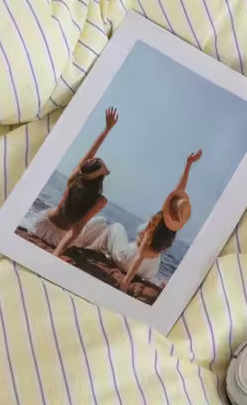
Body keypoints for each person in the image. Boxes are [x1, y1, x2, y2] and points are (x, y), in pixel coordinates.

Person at [102, 148, 201, 290]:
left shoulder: (156, 224)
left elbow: (139, 257)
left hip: (129, 262)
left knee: (117, 227)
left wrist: (125, 282)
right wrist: (188, 165)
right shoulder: (171, 232)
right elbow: (181, 189)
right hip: (149, 271)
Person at [33, 106, 118, 256]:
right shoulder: (99, 200)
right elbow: (77, 229)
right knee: (101, 223)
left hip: (41, 224)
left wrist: (107, 129)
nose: (92, 158)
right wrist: (56, 254)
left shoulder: (74, 179)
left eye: (95, 161)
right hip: (58, 238)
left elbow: (91, 152)